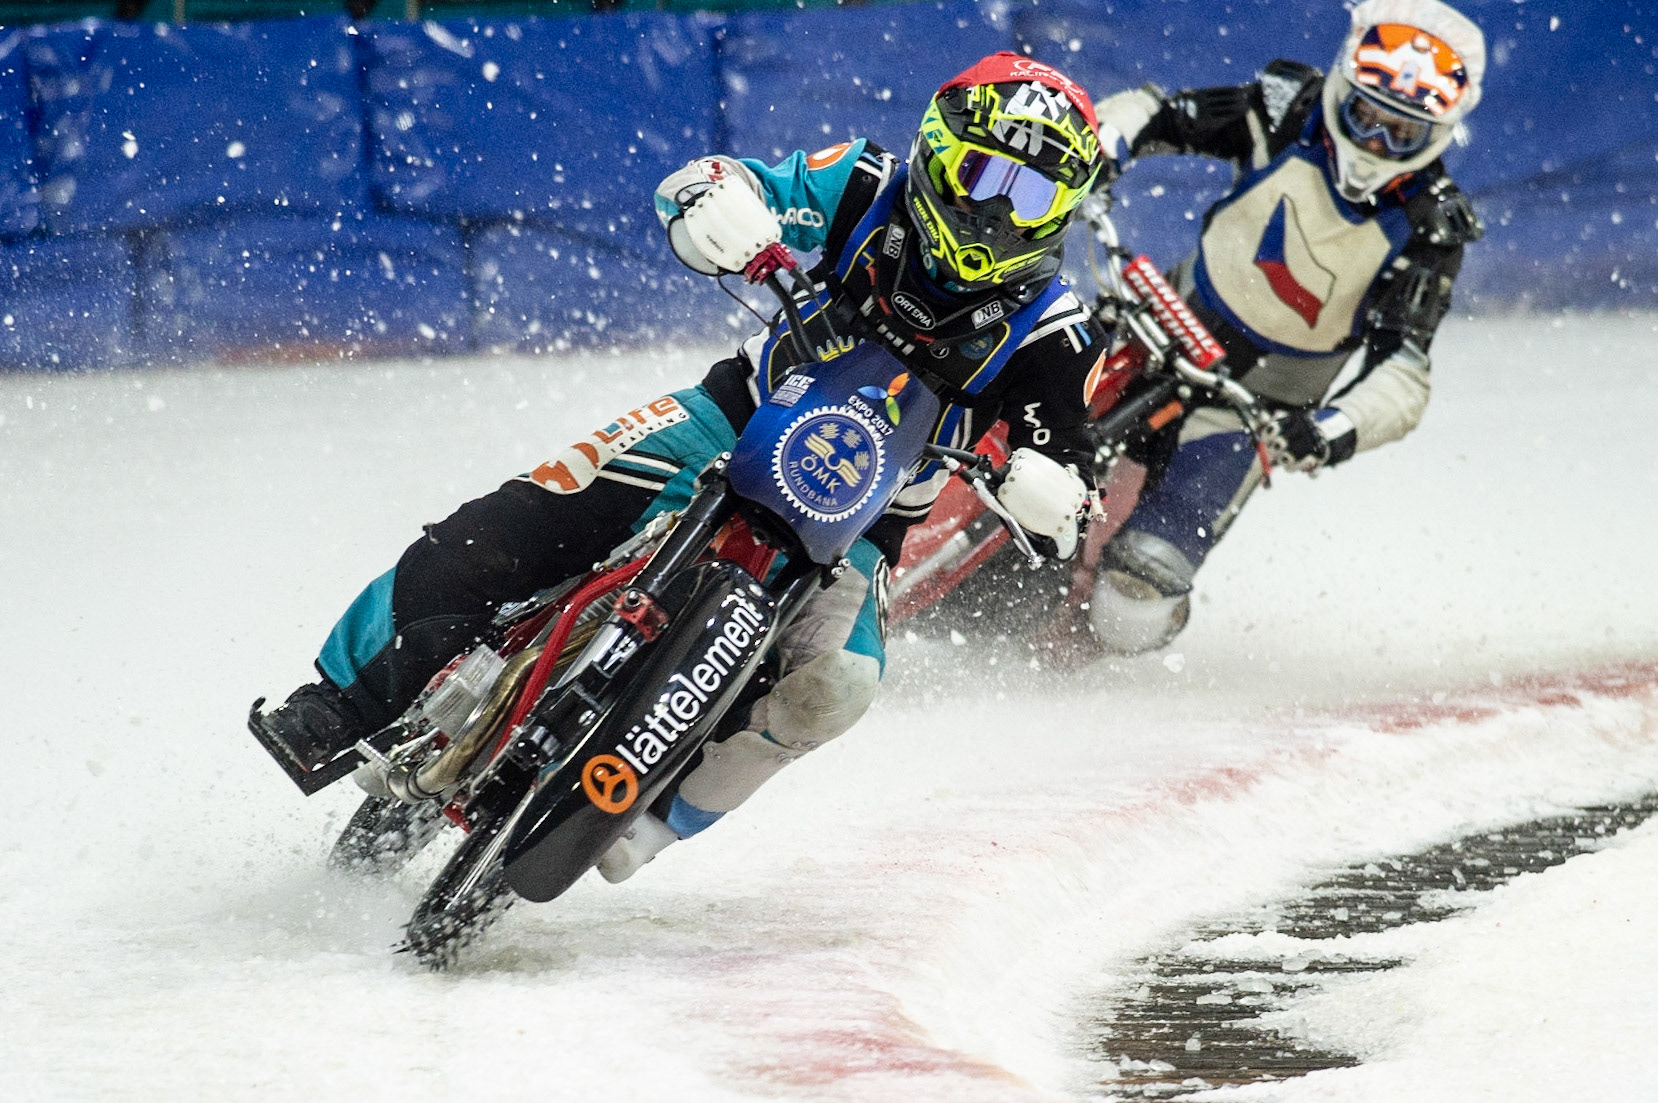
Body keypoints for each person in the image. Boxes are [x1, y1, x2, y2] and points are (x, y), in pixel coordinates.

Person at [250, 52, 1106, 880]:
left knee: (838, 686)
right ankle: (341, 699)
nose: (998, 211)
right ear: (937, 154)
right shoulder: (862, 182)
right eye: (984, 175)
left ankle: (652, 823)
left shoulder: (1059, 335)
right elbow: (723, 183)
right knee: (524, 515)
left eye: (1029, 193)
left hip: (867, 529)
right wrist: (721, 206)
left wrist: (1050, 491)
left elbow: (1075, 477)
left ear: (1062, 209)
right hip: (730, 417)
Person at [1083, 0, 1486, 654]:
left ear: (1437, 135)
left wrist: (1327, 431)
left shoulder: (1431, 225)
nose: (1375, 145)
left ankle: (1110, 647)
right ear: (1339, 90)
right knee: (1010, 422)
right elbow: (1158, 112)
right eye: (1366, 116)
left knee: (1135, 592)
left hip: (1254, 412)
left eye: (1401, 134)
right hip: (1154, 325)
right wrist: (1097, 149)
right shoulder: (1285, 108)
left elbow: (1404, 370)